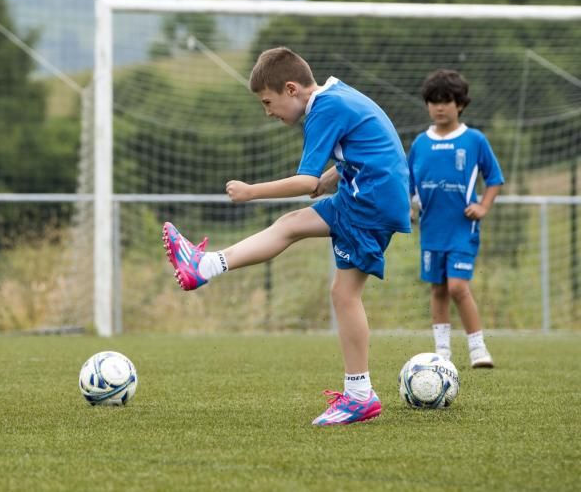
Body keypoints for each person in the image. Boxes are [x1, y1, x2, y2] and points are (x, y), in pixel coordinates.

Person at [162, 47, 411, 426]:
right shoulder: (336, 94)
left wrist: (251, 191)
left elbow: (306, 180)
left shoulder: (323, 109)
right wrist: (337, 174)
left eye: (268, 101)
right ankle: (205, 266)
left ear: (291, 89)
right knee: (291, 224)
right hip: (365, 193)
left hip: (369, 203)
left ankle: (360, 396)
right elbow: (370, 140)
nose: (268, 112)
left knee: (344, 294)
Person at [408, 69, 503, 369]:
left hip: (463, 228)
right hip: (431, 229)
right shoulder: (419, 144)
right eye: (433, 101)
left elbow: (495, 178)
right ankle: (442, 353)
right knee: (438, 288)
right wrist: (410, 208)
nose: (439, 107)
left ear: (459, 104)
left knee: (458, 287)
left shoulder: (474, 140)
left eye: (446, 101)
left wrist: (484, 207)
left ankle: (478, 349)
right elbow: (409, 186)